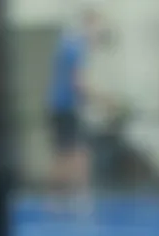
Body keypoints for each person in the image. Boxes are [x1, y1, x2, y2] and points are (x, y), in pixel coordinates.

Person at [46, 9, 110, 204]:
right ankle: (77, 197)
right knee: (76, 154)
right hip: (65, 108)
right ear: (88, 25)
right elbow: (78, 83)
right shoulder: (77, 48)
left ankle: (61, 198)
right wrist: (104, 100)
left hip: (61, 107)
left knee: (67, 153)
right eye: (96, 27)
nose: (98, 33)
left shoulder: (68, 45)